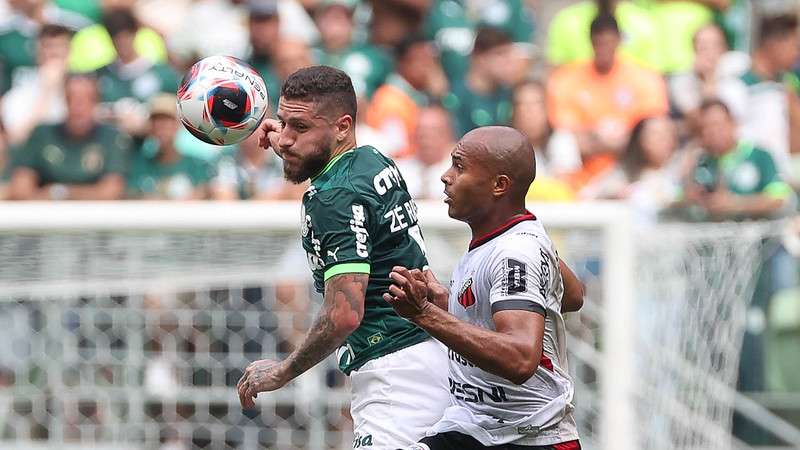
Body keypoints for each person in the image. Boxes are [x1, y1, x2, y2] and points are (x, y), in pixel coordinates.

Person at [236, 65, 451, 449]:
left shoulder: (331, 199)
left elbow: (344, 313)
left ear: (342, 126)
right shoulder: (373, 159)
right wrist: (289, 133)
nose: (284, 140)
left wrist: (284, 372)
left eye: (298, 128)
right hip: (429, 355)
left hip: (394, 373)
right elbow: (327, 166)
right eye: (283, 123)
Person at [384, 126, 582, 449]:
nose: (446, 177)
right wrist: (447, 306)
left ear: (499, 185)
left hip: (528, 438)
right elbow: (570, 295)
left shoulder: (515, 251)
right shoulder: (510, 239)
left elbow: (520, 358)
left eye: (459, 167)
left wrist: (424, 315)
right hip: (479, 428)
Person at [547, 14, 668, 194]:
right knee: (561, 141)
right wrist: (602, 139)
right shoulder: (567, 78)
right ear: (591, 42)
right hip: (587, 162)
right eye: (599, 42)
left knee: (656, 131)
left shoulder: (642, 77)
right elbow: (565, 128)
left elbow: (653, 125)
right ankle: (568, 190)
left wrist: (621, 140)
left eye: (609, 42)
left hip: (631, 163)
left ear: (619, 41)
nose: (604, 48)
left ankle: (648, 187)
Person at [7, 73, 131, 200]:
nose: (78, 107)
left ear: (96, 102)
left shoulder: (111, 137)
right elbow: (20, 187)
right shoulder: (43, 133)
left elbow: (111, 191)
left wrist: (60, 193)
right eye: (71, 99)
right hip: (46, 215)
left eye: (87, 99)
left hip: (95, 216)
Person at [679, 100, 793, 221]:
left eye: (717, 124)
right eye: (705, 127)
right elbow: (675, 198)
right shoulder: (701, 162)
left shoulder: (759, 156)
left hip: (758, 236)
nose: (713, 132)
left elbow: (779, 199)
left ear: (732, 123)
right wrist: (690, 197)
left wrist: (736, 204)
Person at [366, 35, 448, 158]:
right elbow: (395, 153)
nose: (428, 67)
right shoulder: (391, 101)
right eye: (422, 60)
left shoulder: (416, 95)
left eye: (430, 60)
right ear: (402, 63)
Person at [126, 94, 215, 200]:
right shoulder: (140, 165)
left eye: (167, 120)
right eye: (156, 121)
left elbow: (204, 192)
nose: (160, 126)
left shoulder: (196, 165)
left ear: (177, 124)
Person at [1, 23, 72, 146]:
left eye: (60, 46)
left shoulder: (86, 87)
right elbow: (17, 139)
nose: (54, 52)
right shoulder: (21, 93)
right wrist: (47, 91)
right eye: (48, 46)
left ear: (70, 51)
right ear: (38, 52)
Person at [396, 104, 455, 200]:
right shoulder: (398, 172)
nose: (426, 139)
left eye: (434, 132)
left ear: (447, 134)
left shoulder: (458, 175)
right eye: (422, 132)